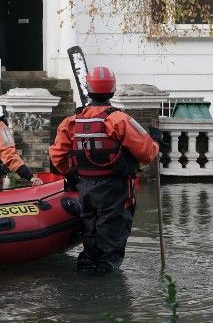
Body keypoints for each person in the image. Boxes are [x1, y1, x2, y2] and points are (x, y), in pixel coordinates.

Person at [49, 67, 159, 274]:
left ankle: (87, 270)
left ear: (88, 89)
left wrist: (72, 175)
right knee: (113, 232)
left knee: (90, 228)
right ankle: (107, 280)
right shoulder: (119, 120)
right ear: (113, 89)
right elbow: (146, 153)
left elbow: (57, 157)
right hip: (115, 188)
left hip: (85, 187)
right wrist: (156, 142)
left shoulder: (71, 121)